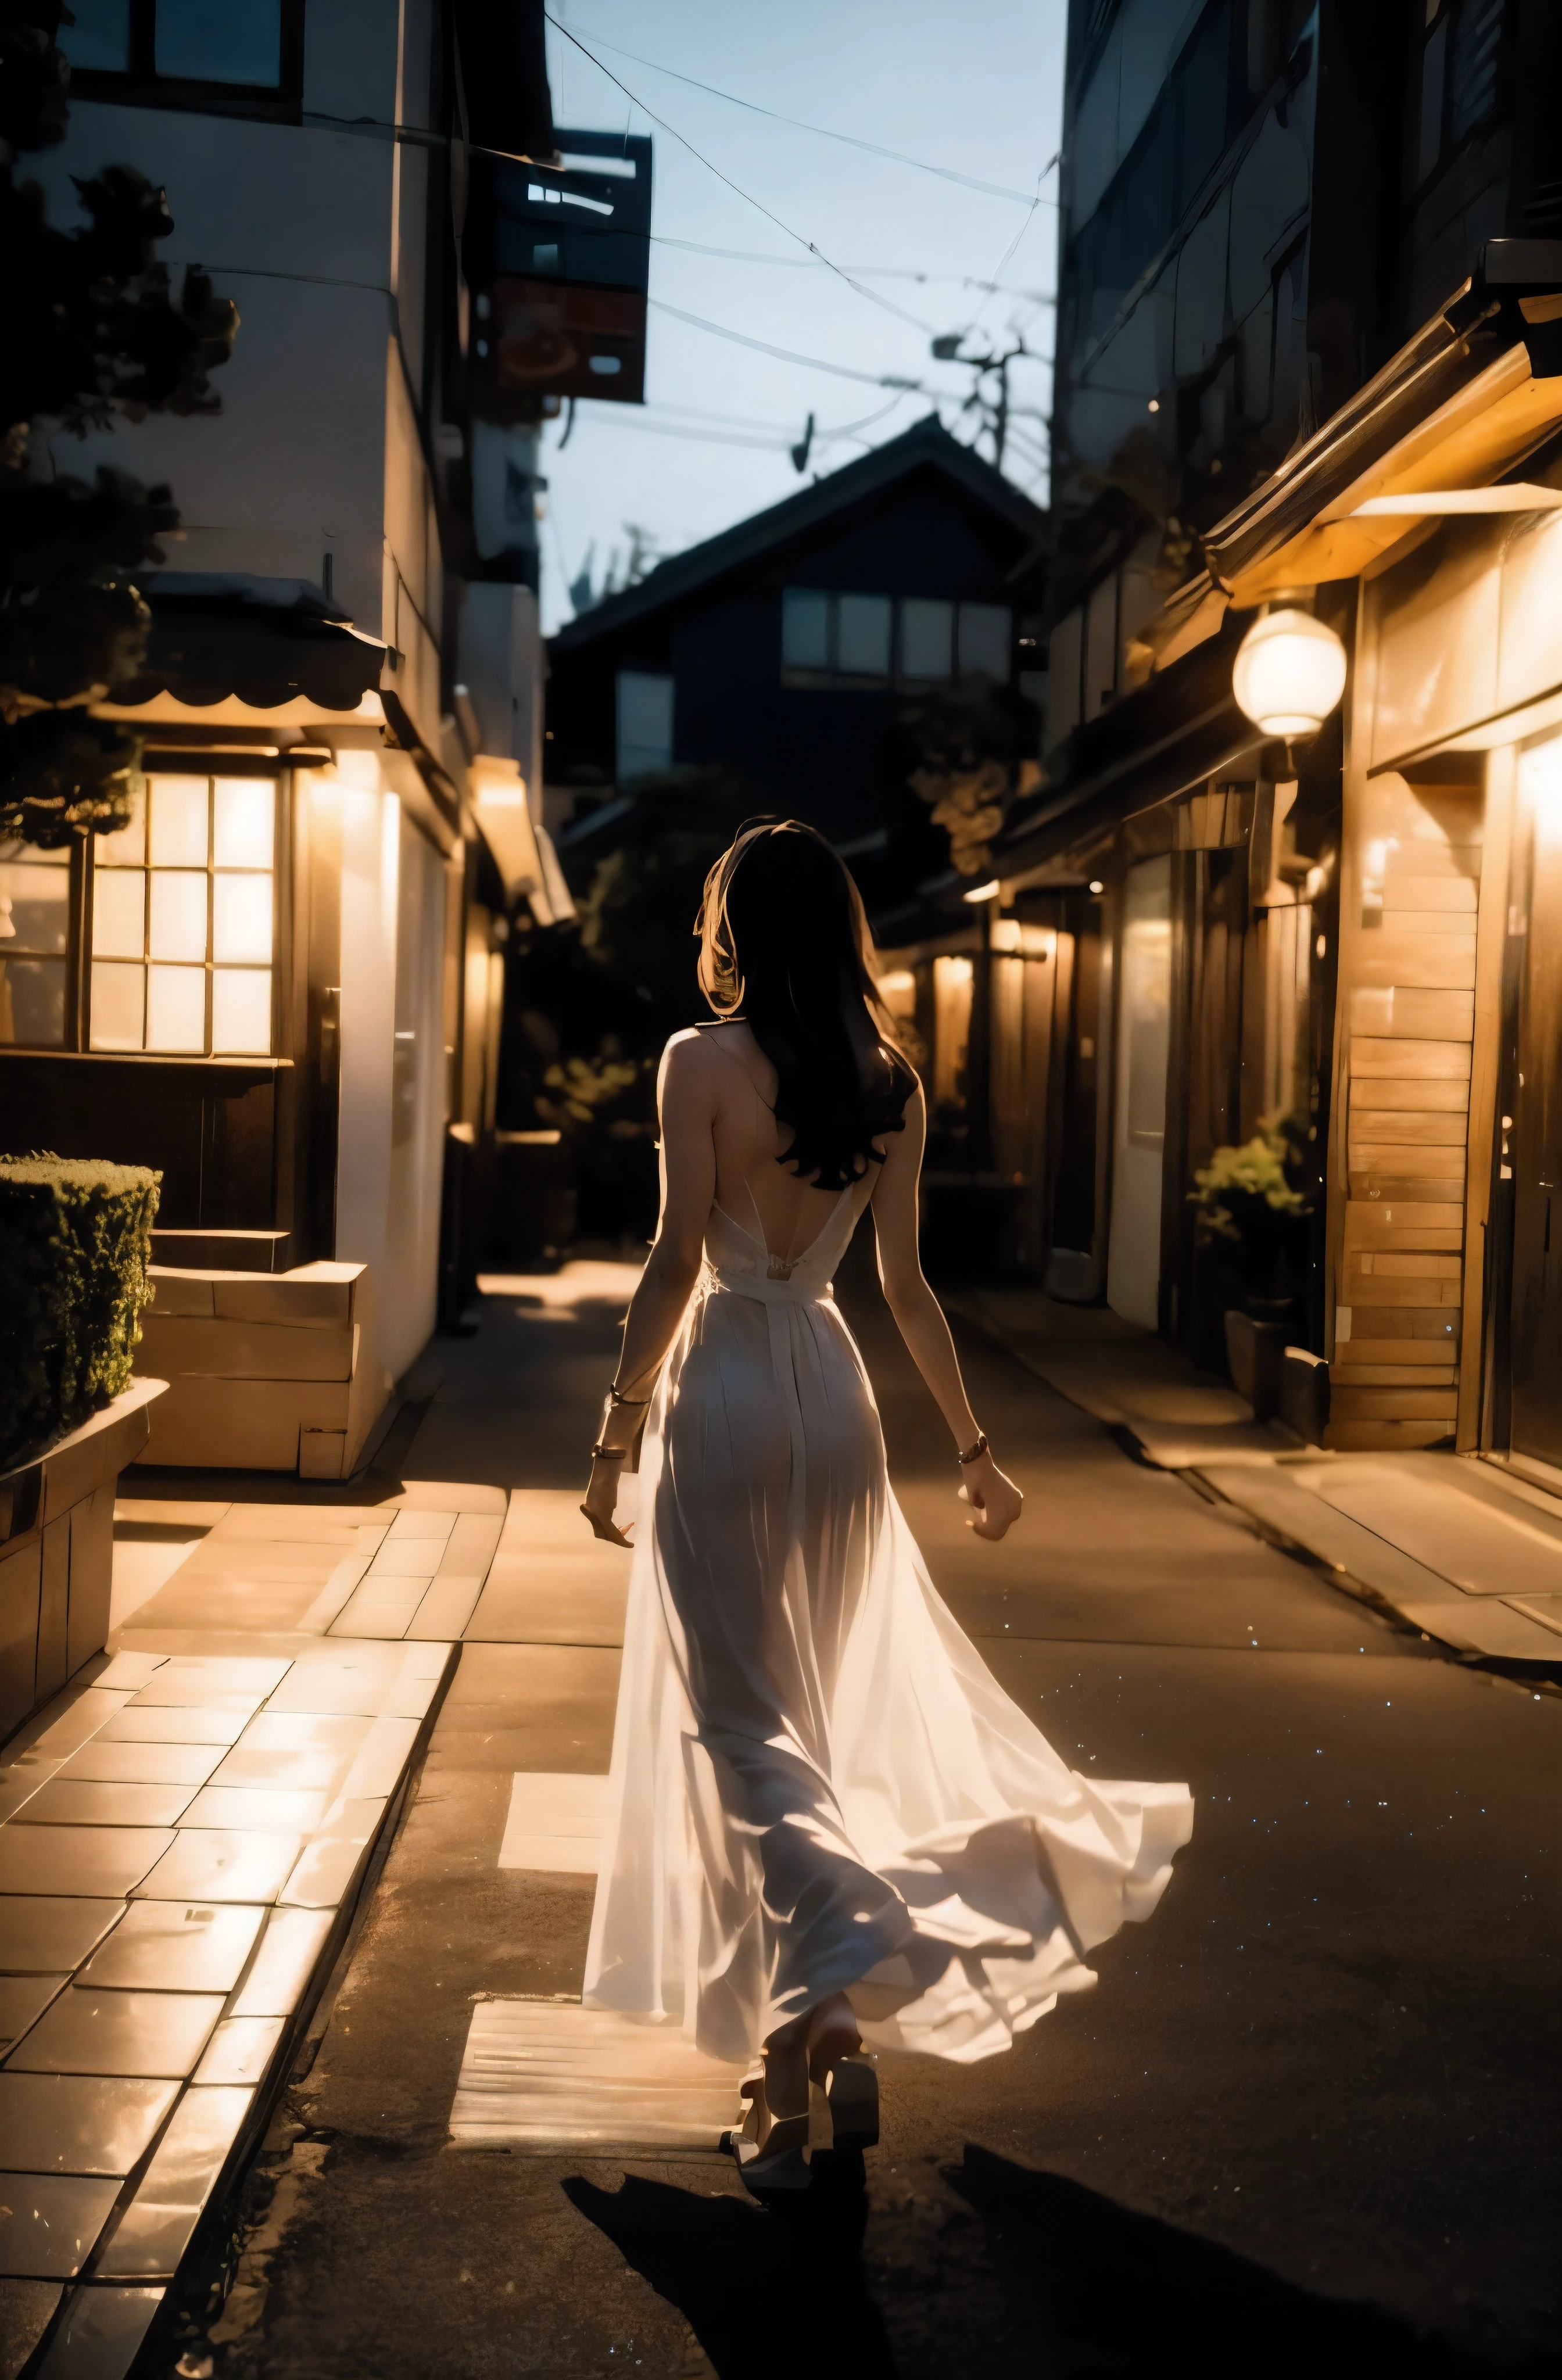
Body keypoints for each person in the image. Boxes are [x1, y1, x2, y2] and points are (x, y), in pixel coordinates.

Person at [580, 820, 1191, 2192]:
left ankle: (845, 1937)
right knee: (811, 1712)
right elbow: (907, 1288)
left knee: (743, 1720)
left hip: (729, 1383)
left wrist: (615, 1434)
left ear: (738, 925)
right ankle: (796, 2065)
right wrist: (972, 1447)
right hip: (837, 1394)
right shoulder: (890, 1082)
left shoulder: (699, 1062)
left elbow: (677, 1257)